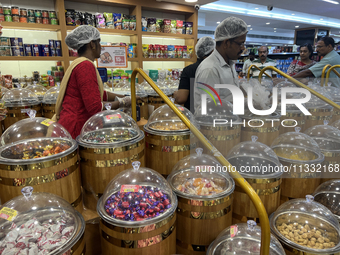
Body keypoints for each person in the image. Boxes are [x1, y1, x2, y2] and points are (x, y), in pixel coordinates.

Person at [54, 25, 132, 138]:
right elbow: (95, 108)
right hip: (76, 129)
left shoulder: (79, 63)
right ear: (92, 44)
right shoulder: (85, 66)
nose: (101, 46)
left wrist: (126, 96)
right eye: (99, 42)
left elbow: (100, 94)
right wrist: (123, 102)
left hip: (73, 125)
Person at [194, 16, 248, 110]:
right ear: (227, 43)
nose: (243, 48)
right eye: (240, 44)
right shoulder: (210, 68)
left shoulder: (229, 63)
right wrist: (244, 104)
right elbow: (210, 108)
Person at [174, 36, 215, 112]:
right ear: (213, 51)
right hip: (213, 113)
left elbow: (181, 98)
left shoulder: (189, 70)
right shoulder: (215, 68)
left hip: (193, 114)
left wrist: (176, 94)